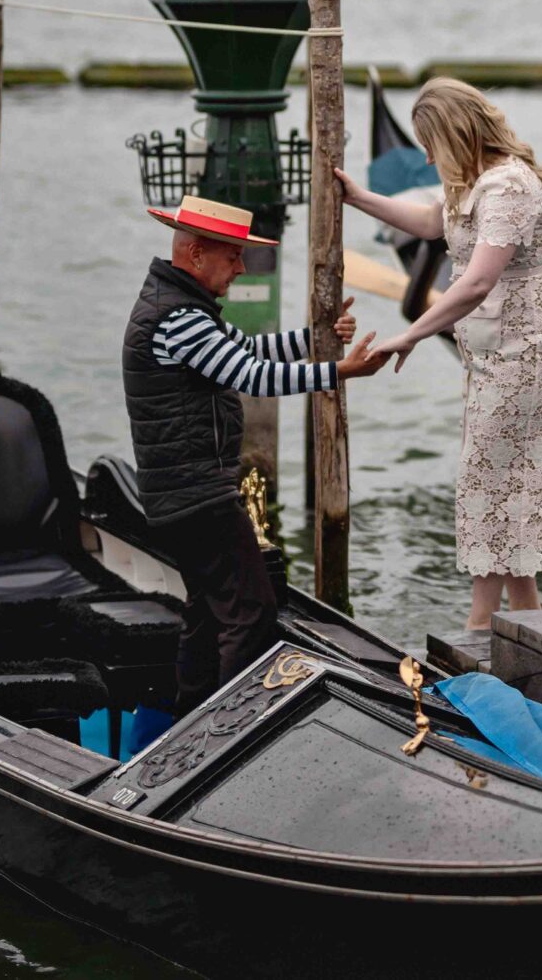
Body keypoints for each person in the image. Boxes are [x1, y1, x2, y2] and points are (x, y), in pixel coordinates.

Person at [123, 194, 383, 713]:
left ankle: (191, 718)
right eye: (231, 256)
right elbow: (252, 376)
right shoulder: (179, 317)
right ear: (196, 254)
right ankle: (228, 729)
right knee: (251, 612)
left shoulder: (178, 305)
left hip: (181, 493)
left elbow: (249, 349)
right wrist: (340, 373)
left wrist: (318, 338)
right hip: (196, 494)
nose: (241, 268)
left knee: (207, 612)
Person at [335, 78, 542, 629]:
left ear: (455, 133)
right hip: (493, 352)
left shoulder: (509, 186)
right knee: (500, 476)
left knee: (490, 474)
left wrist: (410, 334)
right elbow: (427, 223)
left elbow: (476, 283)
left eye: (429, 142)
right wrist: (357, 197)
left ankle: (480, 622)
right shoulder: (472, 183)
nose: (424, 155)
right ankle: (525, 614)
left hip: (529, 349)